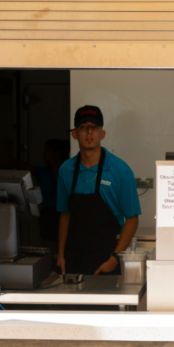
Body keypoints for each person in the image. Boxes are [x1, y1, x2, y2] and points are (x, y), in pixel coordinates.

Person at [57, 105, 141, 276]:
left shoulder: (120, 171)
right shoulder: (65, 170)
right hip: (73, 259)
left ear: (102, 134)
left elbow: (132, 219)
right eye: (83, 127)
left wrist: (114, 258)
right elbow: (65, 214)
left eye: (94, 127)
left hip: (106, 260)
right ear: (74, 134)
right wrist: (60, 254)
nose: (89, 132)